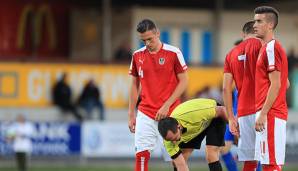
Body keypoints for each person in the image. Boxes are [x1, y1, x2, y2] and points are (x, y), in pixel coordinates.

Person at [128, 19, 188, 171]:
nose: (147, 43)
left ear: (157, 33)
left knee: (175, 159)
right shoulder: (137, 56)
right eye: (143, 40)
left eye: (150, 39)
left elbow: (184, 82)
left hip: (171, 114)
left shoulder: (174, 53)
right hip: (145, 113)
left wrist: (166, 105)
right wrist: (131, 114)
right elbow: (134, 85)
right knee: (141, 156)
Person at [223, 20, 262, 171]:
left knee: (251, 157)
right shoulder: (264, 47)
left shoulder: (232, 54)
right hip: (259, 109)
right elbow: (283, 84)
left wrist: (232, 117)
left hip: (242, 113)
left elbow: (225, 88)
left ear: (243, 34)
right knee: (263, 155)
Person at [253, 6, 289, 171]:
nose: (255, 24)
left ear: (270, 25)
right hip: (270, 112)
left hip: (270, 114)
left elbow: (277, 84)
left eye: (259, 21)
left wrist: (264, 113)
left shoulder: (270, 48)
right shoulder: (266, 48)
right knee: (268, 163)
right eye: (255, 20)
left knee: (271, 164)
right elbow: (285, 83)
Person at [158, 98, 227, 171]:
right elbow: (181, 165)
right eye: (171, 141)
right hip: (194, 128)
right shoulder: (169, 141)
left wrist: (233, 126)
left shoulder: (193, 114)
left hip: (214, 116)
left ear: (179, 127)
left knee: (211, 155)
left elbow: (221, 110)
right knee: (177, 162)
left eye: (176, 139)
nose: (174, 143)